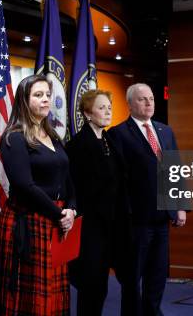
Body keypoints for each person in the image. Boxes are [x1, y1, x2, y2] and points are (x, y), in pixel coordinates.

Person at [0, 74, 76, 316]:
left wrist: (72, 209)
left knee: (53, 295)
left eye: (48, 95)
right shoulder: (14, 137)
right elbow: (25, 186)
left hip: (57, 222)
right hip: (29, 222)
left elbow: (68, 180)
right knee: (28, 300)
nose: (46, 100)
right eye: (38, 95)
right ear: (24, 101)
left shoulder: (54, 136)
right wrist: (60, 214)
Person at [108, 83, 186, 316]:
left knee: (157, 274)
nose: (149, 103)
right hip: (136, 220)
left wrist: (181, 207)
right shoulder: (118, 134)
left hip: (162, 218)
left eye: (151, 98)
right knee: (132, 276)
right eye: (142, 99)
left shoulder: (165, 131)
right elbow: (117, 181)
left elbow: (176, 170)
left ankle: (153, 312)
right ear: (130, 104)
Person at [65, 89, 132, 316]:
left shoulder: (109, 141)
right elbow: (75, 188)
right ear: (87, 113)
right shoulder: (77, 145)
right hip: (90, 227)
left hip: (113, 225)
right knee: (90, 285)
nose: (107, 111)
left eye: (109, 107)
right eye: (101, 107)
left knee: (103, 286)